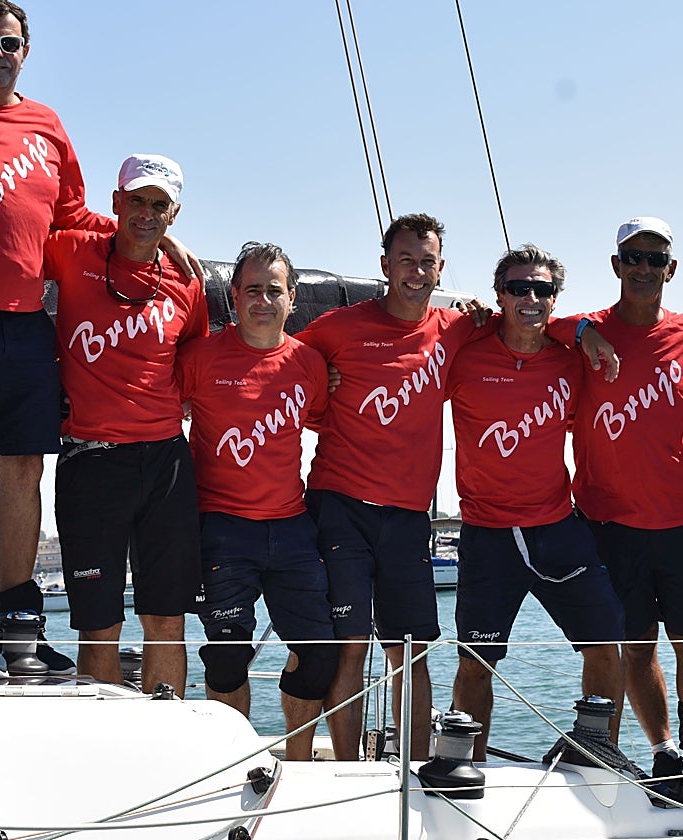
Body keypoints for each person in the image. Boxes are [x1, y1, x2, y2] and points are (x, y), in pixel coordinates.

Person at [0, 1, 199, 677]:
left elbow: (75, 213)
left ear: (24, 52)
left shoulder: (46, 125)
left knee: (24, 464)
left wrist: (152, 232)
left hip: (24, 321)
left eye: (7, 43)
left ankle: (19, 616)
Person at [544, 216, 683, 801]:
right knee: (628, 646)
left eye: (656, 259)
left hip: (680, 521)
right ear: (616, 264)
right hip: (607, 523)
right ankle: (640, 755)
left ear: (670, 269)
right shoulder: (586, 330)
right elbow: (538, 322)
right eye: (634, 256)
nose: (645, 267)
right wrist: (582, 333)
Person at [298, 213, 488, 761]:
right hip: (341, 505)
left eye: (427, 261)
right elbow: (283, 363)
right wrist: (320, 389)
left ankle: (416, 771)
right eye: (405, 259)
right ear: (385, 265)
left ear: (441, 269)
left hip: (408, 516)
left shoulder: (456, 327)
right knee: (350, 647)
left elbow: (525, 319)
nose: (416, 270)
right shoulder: (337, 328)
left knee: (412, 651)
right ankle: (349, 772)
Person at [447, 245, 625, 761]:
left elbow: (580, 327)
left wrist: (584, 330)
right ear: (498, 295)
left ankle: (595, 752)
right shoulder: (466, 355)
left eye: (542, 289)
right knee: (477, 661)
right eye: (518, 288)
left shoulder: (573, 360)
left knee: (606, 642)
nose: (530, 297)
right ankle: (465, 766)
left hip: (557, 526)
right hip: (487, 534)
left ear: (555, 298)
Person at [45, 154, 207, 695]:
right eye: (136, 200)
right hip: (90, 463)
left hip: (165, 464)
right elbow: (17, 233)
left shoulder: (187, 283)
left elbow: (196, 359)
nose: (145, 213)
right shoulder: (72, 252)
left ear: (174, 214)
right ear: (115, 202)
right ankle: (104, 754)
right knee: (99, 627)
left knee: (167, 623)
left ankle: (172, 752)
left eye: (159, 205)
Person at [176, 242, 337, 760]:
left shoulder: (310, 364)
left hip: (292, 528)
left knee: (317, 657)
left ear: (292, 299)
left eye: (275, 290)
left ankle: (298, 762)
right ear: (233, 297)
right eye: (253, 290)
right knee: (226, 658)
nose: (263, 300)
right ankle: (232, 764)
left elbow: (322, 417)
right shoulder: (199, 358)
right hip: (222, 528)